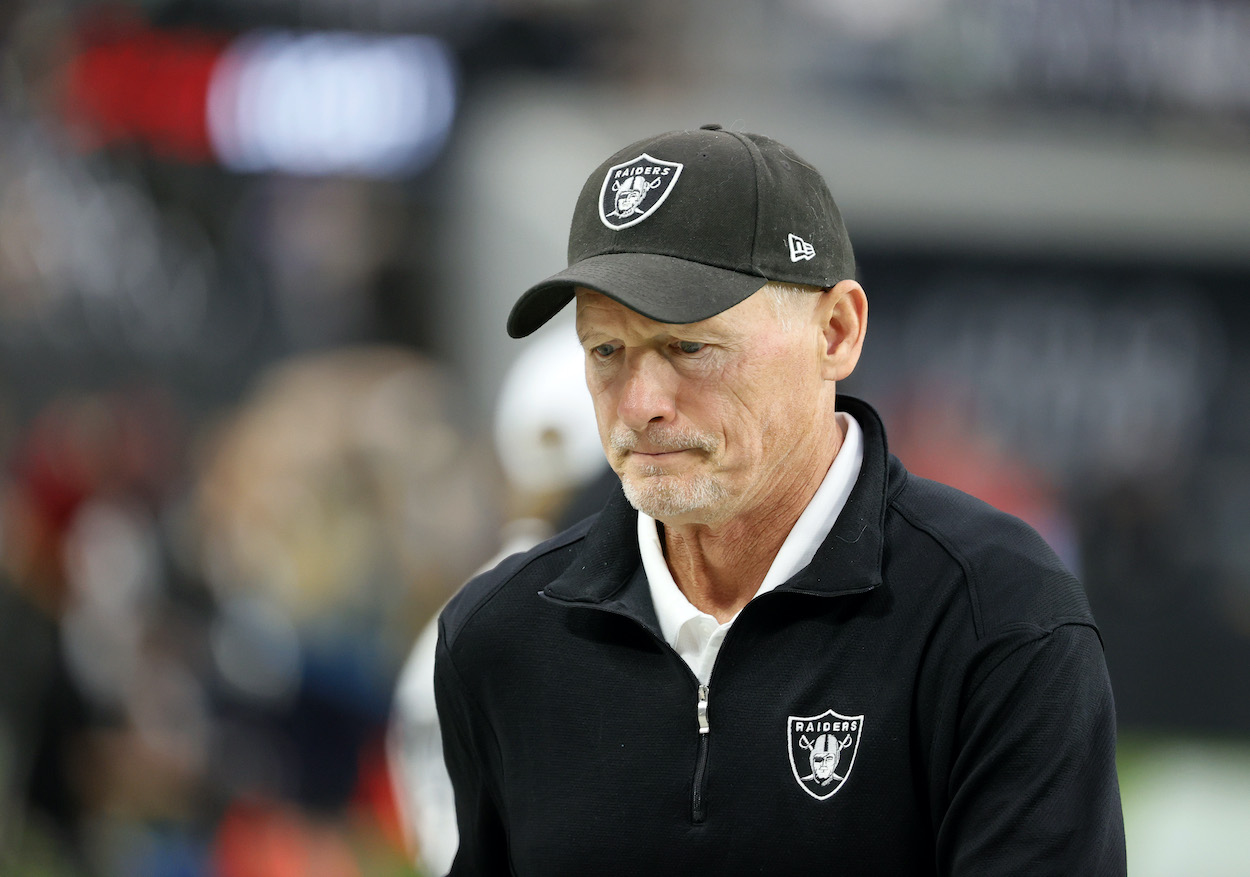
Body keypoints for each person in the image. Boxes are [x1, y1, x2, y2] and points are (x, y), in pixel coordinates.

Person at [433, 124, 1126, 875]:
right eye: (607, 351)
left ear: (837, 331)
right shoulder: (500, 636)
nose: (641, 403)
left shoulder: (997, 615)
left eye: (689, 346)